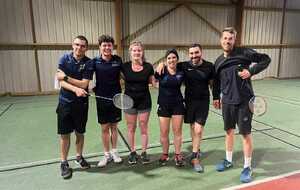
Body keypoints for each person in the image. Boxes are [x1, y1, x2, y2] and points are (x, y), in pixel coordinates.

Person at [213, 27, 271, 183]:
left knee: (245, 134)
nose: (227, 41)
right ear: (221, 40)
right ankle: (228, 160)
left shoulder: (244, 53)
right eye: (225, 38)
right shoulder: (218, 61)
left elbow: (266, 59)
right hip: (227, 102)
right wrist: (215, 97)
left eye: (230, 38)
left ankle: (247, 166)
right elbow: (216, 82)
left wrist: (251, 71)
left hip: (244, 101)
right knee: (229, 131)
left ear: (234, 40)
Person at [156, 44, 215, 173]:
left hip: (199, 102)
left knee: (197, 130)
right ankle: (183, 151)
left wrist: (217, 97)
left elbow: (212, 83)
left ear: (201, 52)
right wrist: (161, 64)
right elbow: (154, 80)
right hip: (186, 102)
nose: (194, 55)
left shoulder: (208, 66)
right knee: (192, 128)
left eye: (196, 52)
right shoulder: (182, 66)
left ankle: (193, 157)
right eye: (191, 53)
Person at [55, 35, 93, 179]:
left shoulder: (88, 63)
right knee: (65, 135)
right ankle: (64, 162)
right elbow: (61, 84)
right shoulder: (64, 59)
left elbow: (84, 84)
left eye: (83, 46)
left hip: (81, 105)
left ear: (86, 48)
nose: (79, 48)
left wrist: (65, 77)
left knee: (80, 133)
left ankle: (79, 156)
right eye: (77, 44)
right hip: (65, 103)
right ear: (72, 45)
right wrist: (75, 89)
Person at [91, 35, 123, 167]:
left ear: (112, 46)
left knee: (114, 127)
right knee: (104, 128)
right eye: (104, 45)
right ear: (100, 47)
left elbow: (126, 73)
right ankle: (106, 155)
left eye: (109, 45)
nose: (107, 47)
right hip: (101, 99)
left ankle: (115, 152)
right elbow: (86, 76)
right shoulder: (95, 61)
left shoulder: (118, 60)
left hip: (115, 98)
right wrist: (89, 86)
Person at [121, 41, 155, 165]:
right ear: (130, 52)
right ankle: (132, 152)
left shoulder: (148, 67)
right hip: (128, 101)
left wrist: (162, 66)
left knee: (143, 127)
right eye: (134, 50)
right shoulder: (124, 66)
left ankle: (144, 152)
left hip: (144, 101)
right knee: (131, 128)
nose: (136, 52)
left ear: (142, 52)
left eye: (139, 50)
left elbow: (154, 83)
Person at [154, 49, 185, 167]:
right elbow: (153, 80)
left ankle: (177, 155)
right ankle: (165, 154)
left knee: (177, 131)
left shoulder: (182, 71)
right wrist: (160, 64)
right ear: (166, 60)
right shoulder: (161, 70)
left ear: (177, 59)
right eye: (169, 58)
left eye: (173, 57)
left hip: (178, 105)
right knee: (164, 132)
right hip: (163, 105)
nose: (171, 60)